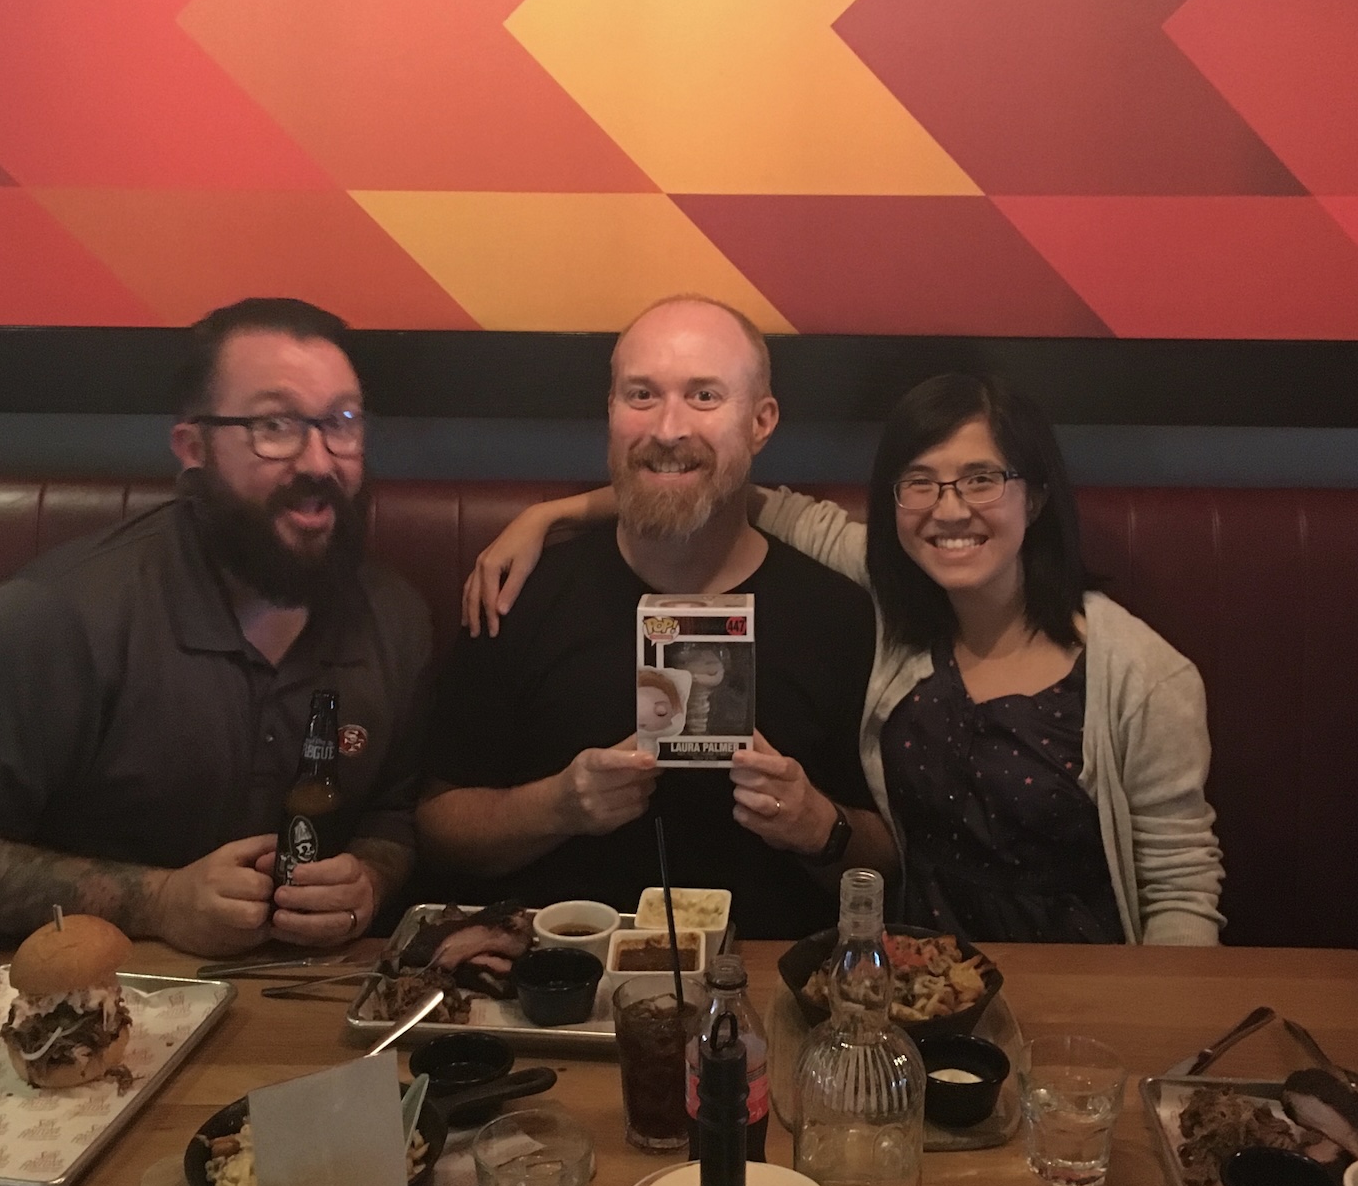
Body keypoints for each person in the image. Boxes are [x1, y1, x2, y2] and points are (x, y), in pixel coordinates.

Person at [465, 371, 1223, 946]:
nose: (949, 508)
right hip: (903, 974)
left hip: (1080, 978)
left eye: (982, 479)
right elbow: (731, 494)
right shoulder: (888, 586)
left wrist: (1150, 1029)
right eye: (918, 482)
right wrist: (552, 514)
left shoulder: (1141, 674)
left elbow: (1183, 895)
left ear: (1040, 494)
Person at [0, 297, 433, 1051]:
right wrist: (158, 900)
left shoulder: (394, 615)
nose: (318, 461)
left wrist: (369, 875)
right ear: (192, 447)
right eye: (273, 426)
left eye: (342, 422)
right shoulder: (57, 618)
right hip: (34, 1007)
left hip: (288, 1009)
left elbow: (397, 811)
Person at [416, 295, 893, 938]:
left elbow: (891, 864)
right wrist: (557, 807)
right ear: (610, 413)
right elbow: (438, 829)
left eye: (704, 397)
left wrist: (819, 827)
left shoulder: (838, 615)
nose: (668, 429)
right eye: (641, 395)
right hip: (559, 993)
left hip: (767, 990)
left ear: (761, 421)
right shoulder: (518, 593)